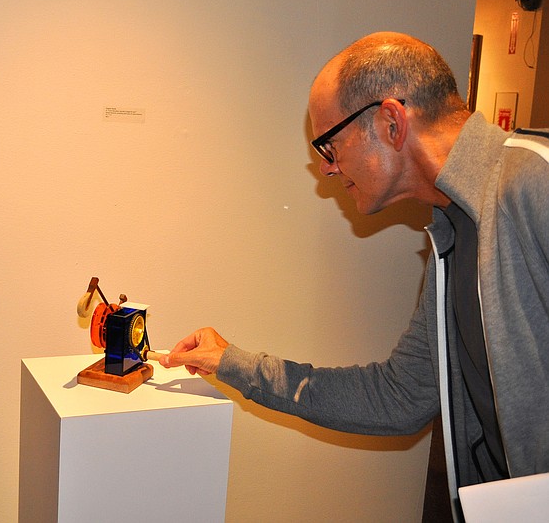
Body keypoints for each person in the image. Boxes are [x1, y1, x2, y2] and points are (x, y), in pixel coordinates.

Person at [159, 32, 549, 519]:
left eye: (329, 145)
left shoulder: (535, 182)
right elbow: (399, 396)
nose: (326, 168)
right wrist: (230, 361)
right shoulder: (452, 230)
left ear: (391, 122)